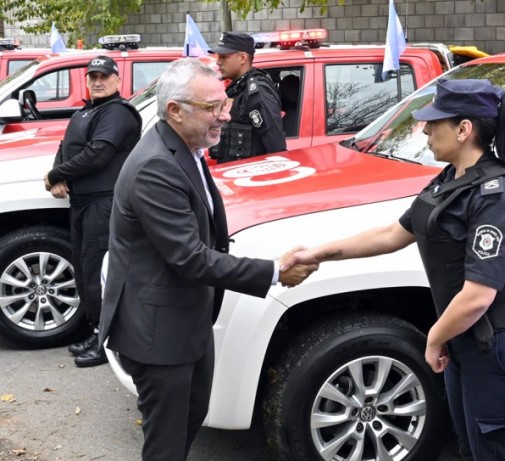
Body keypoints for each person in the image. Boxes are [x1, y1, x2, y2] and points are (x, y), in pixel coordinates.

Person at [283, 79, 505, 461]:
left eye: (433, 122)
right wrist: (319, 253)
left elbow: (477, 296)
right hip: (466, 341)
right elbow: (393, 234)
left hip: (498, 352)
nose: (423, 129)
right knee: (471, 449)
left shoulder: (499, 194)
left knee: (496, 453)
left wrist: (435, 337)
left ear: (463, 130)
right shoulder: (451, 178)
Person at [98, 58, 317, 461]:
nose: (226, 114)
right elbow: (191, 259)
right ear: (175, 111)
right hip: (157, 335)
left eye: (225, 102)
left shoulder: (185, 147)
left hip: (184, 321)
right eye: (213, 107)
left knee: (190, 419)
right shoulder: (155, 167)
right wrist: (273, 271)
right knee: (167, 445)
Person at [43, 55, 142, 368]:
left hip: (105, 203)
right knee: (86, 271)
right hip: (83, 204)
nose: (97, 81)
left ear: (117, 80)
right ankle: (96, 331)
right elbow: (66, 146)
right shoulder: (86, 111)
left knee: (102, 274)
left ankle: (107, 343)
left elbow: (98, 154)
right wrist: (57, 172)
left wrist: (59, 175)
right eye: (92, 77)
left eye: (104, 76)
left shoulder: (118, 113)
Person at [208, 31, 285, 163]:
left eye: (224, 57)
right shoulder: (237, 87)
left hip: (252, 177)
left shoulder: (258, 93)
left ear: (243, 58)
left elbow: (276, 147)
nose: (218, 62)